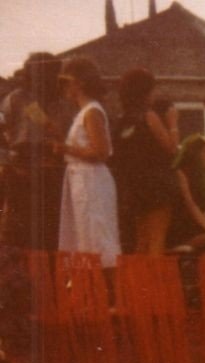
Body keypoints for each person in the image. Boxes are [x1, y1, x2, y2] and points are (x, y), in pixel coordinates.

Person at [0, 52, 72, 250]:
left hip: (54, 172)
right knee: (20, 233)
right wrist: (8, 165)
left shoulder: (64, 102)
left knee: (51, 232)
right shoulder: (16, 99)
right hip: (22, 172)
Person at [54, 57, 120, 271]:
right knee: (83, 234)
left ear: (78, 83)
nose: (64, 87)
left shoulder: (92, 111)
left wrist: (66, 149)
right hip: (80, 179)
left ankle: (105, 290)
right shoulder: (84, 112)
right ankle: (92, 288)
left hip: (91, 179)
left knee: (95, 233)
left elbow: (101, 152)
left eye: (66, 82)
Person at [112, 67, 179, 255]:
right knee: (157, 239)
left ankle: (137, 282)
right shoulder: (149, 116)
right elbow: (171, 148)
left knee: (141, 240)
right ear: (145, 92)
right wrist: (173, 123)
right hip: (156, 184)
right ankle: (154, 282)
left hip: (134, 185)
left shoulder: (122, 120)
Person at [169, 134, 205, 251]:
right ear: (194, 153)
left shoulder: (203, 175)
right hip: (185, 227)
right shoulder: (180, 173)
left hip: (199, 223)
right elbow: (190, 205)